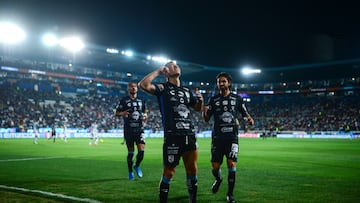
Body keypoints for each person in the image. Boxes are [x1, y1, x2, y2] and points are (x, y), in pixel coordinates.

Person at [139, 61, 203, 203]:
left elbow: (197, 108)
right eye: (172, 65)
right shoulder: (163, 88)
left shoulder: (187, 90)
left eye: (177, 65)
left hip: (189, 135)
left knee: (192, 170)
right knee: (169, 172)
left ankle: (193, 200)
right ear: (166, 72)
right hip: (173, 137)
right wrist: (157, 71)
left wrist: (200, 101)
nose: (176, 66)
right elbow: (143, 85)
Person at [202, 72, 254, 203]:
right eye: (219, 82)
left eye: (223, 81)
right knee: (215, 166)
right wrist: (203, 109)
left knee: (231, 163)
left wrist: (249, 118)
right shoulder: (213, 100)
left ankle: (230, 194)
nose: (221, 84)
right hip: (218, 138)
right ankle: (218, 179)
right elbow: (206, 119)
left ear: (229, 83)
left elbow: (244, 112)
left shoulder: (237, 99)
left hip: (232, 137)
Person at [115, 81, 148, 180]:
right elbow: (116, 113)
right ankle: (130, 172)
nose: (133, 88)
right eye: (131, 87)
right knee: (131, 153)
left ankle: (137, 166)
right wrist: (122, 113)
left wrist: (145, 117)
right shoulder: (124, 101)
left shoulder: (142, 100)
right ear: (128, 89)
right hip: (129, 130)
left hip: (139, 129)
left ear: (137, 89)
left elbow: (145, 112)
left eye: (135, 87)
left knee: (141, 151)